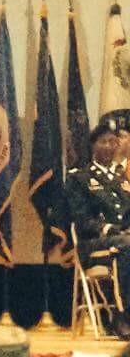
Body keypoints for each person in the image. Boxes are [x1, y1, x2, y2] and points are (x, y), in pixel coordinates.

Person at [66, 123, 130, 340]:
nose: (110, 146)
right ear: (93, 145)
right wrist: (109, 228)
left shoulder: (121, 180)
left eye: (113, 142)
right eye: (104, 142)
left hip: (121, 240)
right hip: (92, 244)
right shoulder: (79, 178)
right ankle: (121, 316)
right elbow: (82, 221)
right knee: (125, 245)